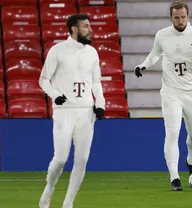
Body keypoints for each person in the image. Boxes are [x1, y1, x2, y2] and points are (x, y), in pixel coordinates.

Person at [134, 0, 192, 191]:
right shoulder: (162, 35)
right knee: (172, 133)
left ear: (188, 16)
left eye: (183, 17)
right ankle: (174, 177)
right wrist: (143, 65)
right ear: (171, 17)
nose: (180, 20)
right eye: (176, 17)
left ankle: (191, 160)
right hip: (171, 92)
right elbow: (155, 54)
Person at [38, 14, 105, 208]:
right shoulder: (58, 50)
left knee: (82, 159)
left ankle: (68, 202)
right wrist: (55, 95)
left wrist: (100, 103)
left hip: (86, 112)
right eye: (85, 26)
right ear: (74, 29)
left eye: (90, 25)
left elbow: (96, 82)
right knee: (60, 159)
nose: (90, 29)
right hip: (64, 110)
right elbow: (43, 79)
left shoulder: (92, 52)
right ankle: (50, 187)